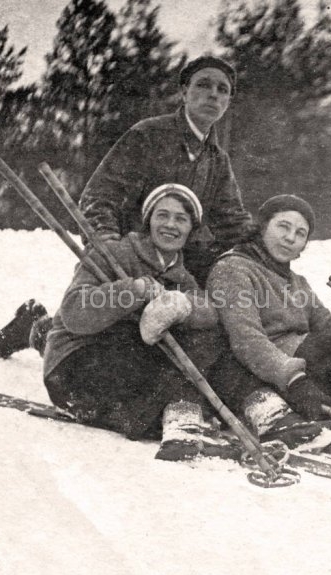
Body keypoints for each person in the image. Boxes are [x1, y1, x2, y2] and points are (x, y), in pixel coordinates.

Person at [206, 194, 331, 460]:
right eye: (283, 226)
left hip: (301, 359)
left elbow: (330, 326)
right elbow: (247, 338)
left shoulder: (295, 281)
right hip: (271, 368)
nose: (291, 238)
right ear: (262, 227)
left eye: (300, 233)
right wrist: (293, 379)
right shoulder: (233, 268)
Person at [42, 184, 232, 461]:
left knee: (206, 338)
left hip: (122, 377)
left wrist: (182, 305)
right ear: (148, 221)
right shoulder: (113, 254)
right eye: (162, 215)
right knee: (127, 342)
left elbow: (209, 313)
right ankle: (173, 416)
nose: (170, 225)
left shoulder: (180, 277)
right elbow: (73, 313)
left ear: (192, 228)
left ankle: (174, 415)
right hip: (74, 369)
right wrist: (135, 290)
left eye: (181, 219)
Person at [79, 55, 253, 285]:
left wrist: (268, 245)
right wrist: (110, 249)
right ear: (183, 92)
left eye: (223, 90)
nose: (213, 94)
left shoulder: (217, 160)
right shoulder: (148, 135)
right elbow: (98, 199)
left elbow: (233, 223)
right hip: (128, 268)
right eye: (203, 84)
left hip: (181, 273)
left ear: (228, 102)